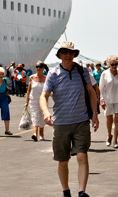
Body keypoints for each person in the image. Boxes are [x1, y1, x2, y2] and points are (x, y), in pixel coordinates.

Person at [40, 41, 99, 197]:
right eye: (65, 52)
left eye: (71, 52)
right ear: (59, 54)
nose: (68, 55)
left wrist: (95, 113)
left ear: (74, 55)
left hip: (81, 121)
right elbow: (43, 96)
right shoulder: (53, 74)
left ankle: (82, 192)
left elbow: (91, 92)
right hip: (61, 123)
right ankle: (66, 191)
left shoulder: (83, 71)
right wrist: (46, 113)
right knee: (63, 160)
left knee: (82, 155)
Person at [99, 55, 118, 148]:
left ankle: (115, 140)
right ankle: (109, 135)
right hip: (108, 99)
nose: (114, 66)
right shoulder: (104, 74)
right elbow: (101, 88)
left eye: (115, 64)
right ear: (108, 64)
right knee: (109, 119)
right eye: (112, 64)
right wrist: (101, 99)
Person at [25, 61, 47, 141]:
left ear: (43, 68)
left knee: (42, 117)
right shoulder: (32, 77)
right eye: (37, 67)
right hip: (33, 100)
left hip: (43, 100)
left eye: (40, 67)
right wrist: (27, 101)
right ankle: (34, 134)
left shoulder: (46, 78)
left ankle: (41, 134)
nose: (38, 68)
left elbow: (49, 90)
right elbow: (28, 90)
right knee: (35, 116)